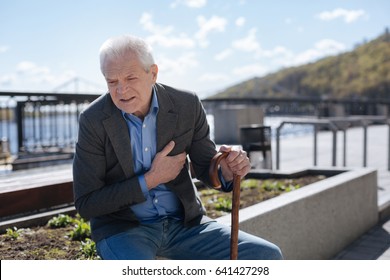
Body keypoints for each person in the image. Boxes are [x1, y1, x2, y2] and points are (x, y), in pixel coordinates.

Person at [72, 34, 283, 260]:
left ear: (153, 73)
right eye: (112, 82)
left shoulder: (187, 105)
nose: (121, 91)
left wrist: (226, 170)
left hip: (186, 225)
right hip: (124, 230)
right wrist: (151, 179)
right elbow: (87, 203)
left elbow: (206, 167)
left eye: (130, 78)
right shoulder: (93, 119)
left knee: (267, 256)